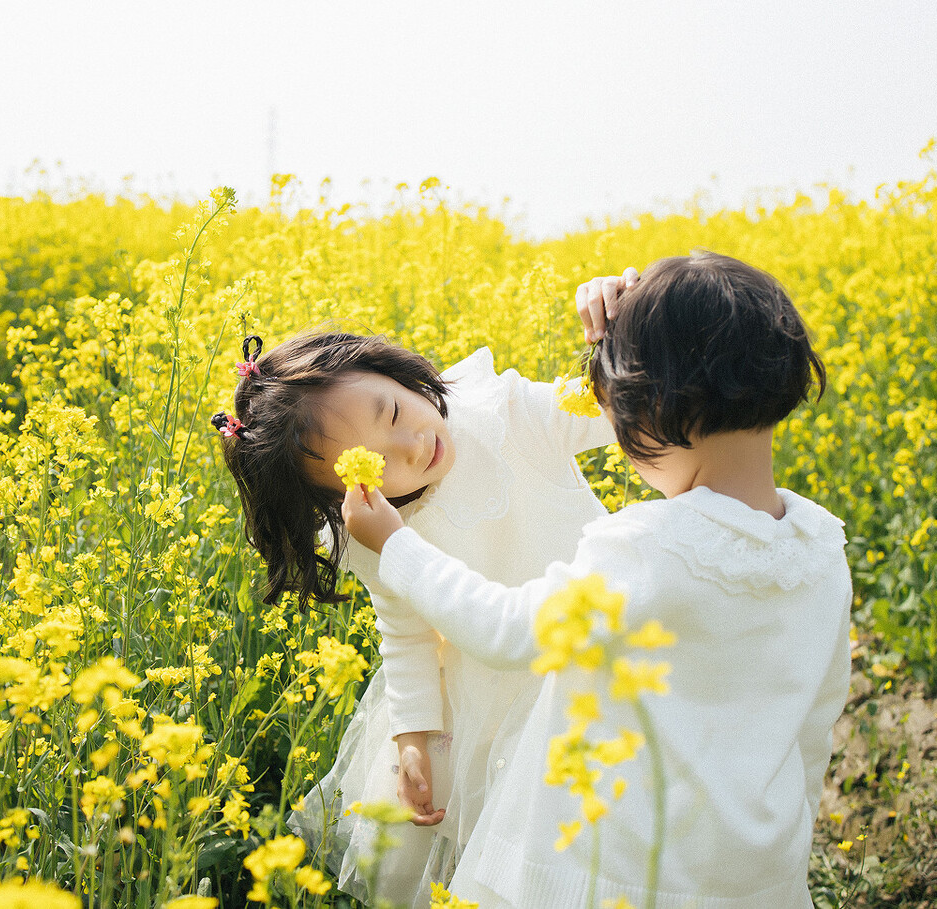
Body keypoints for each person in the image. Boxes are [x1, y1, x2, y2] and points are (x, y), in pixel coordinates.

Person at [342, 252, 852, 909]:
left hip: (606, 871)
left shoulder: (645, 544)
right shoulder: (821, 546)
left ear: (646, 411)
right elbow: (815, 723)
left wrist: (396, 546)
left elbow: (506, 631)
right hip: (753, 874)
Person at [211, 287, 634, 906]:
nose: (410, 445)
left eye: (393, 413)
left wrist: (623, 328)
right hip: (480, 697)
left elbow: (621, 409)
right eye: (375, 466)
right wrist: (413, 734)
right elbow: (405, 633)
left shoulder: (505, 410)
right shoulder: (372, 526)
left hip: (598, 655)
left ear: (398, 372)